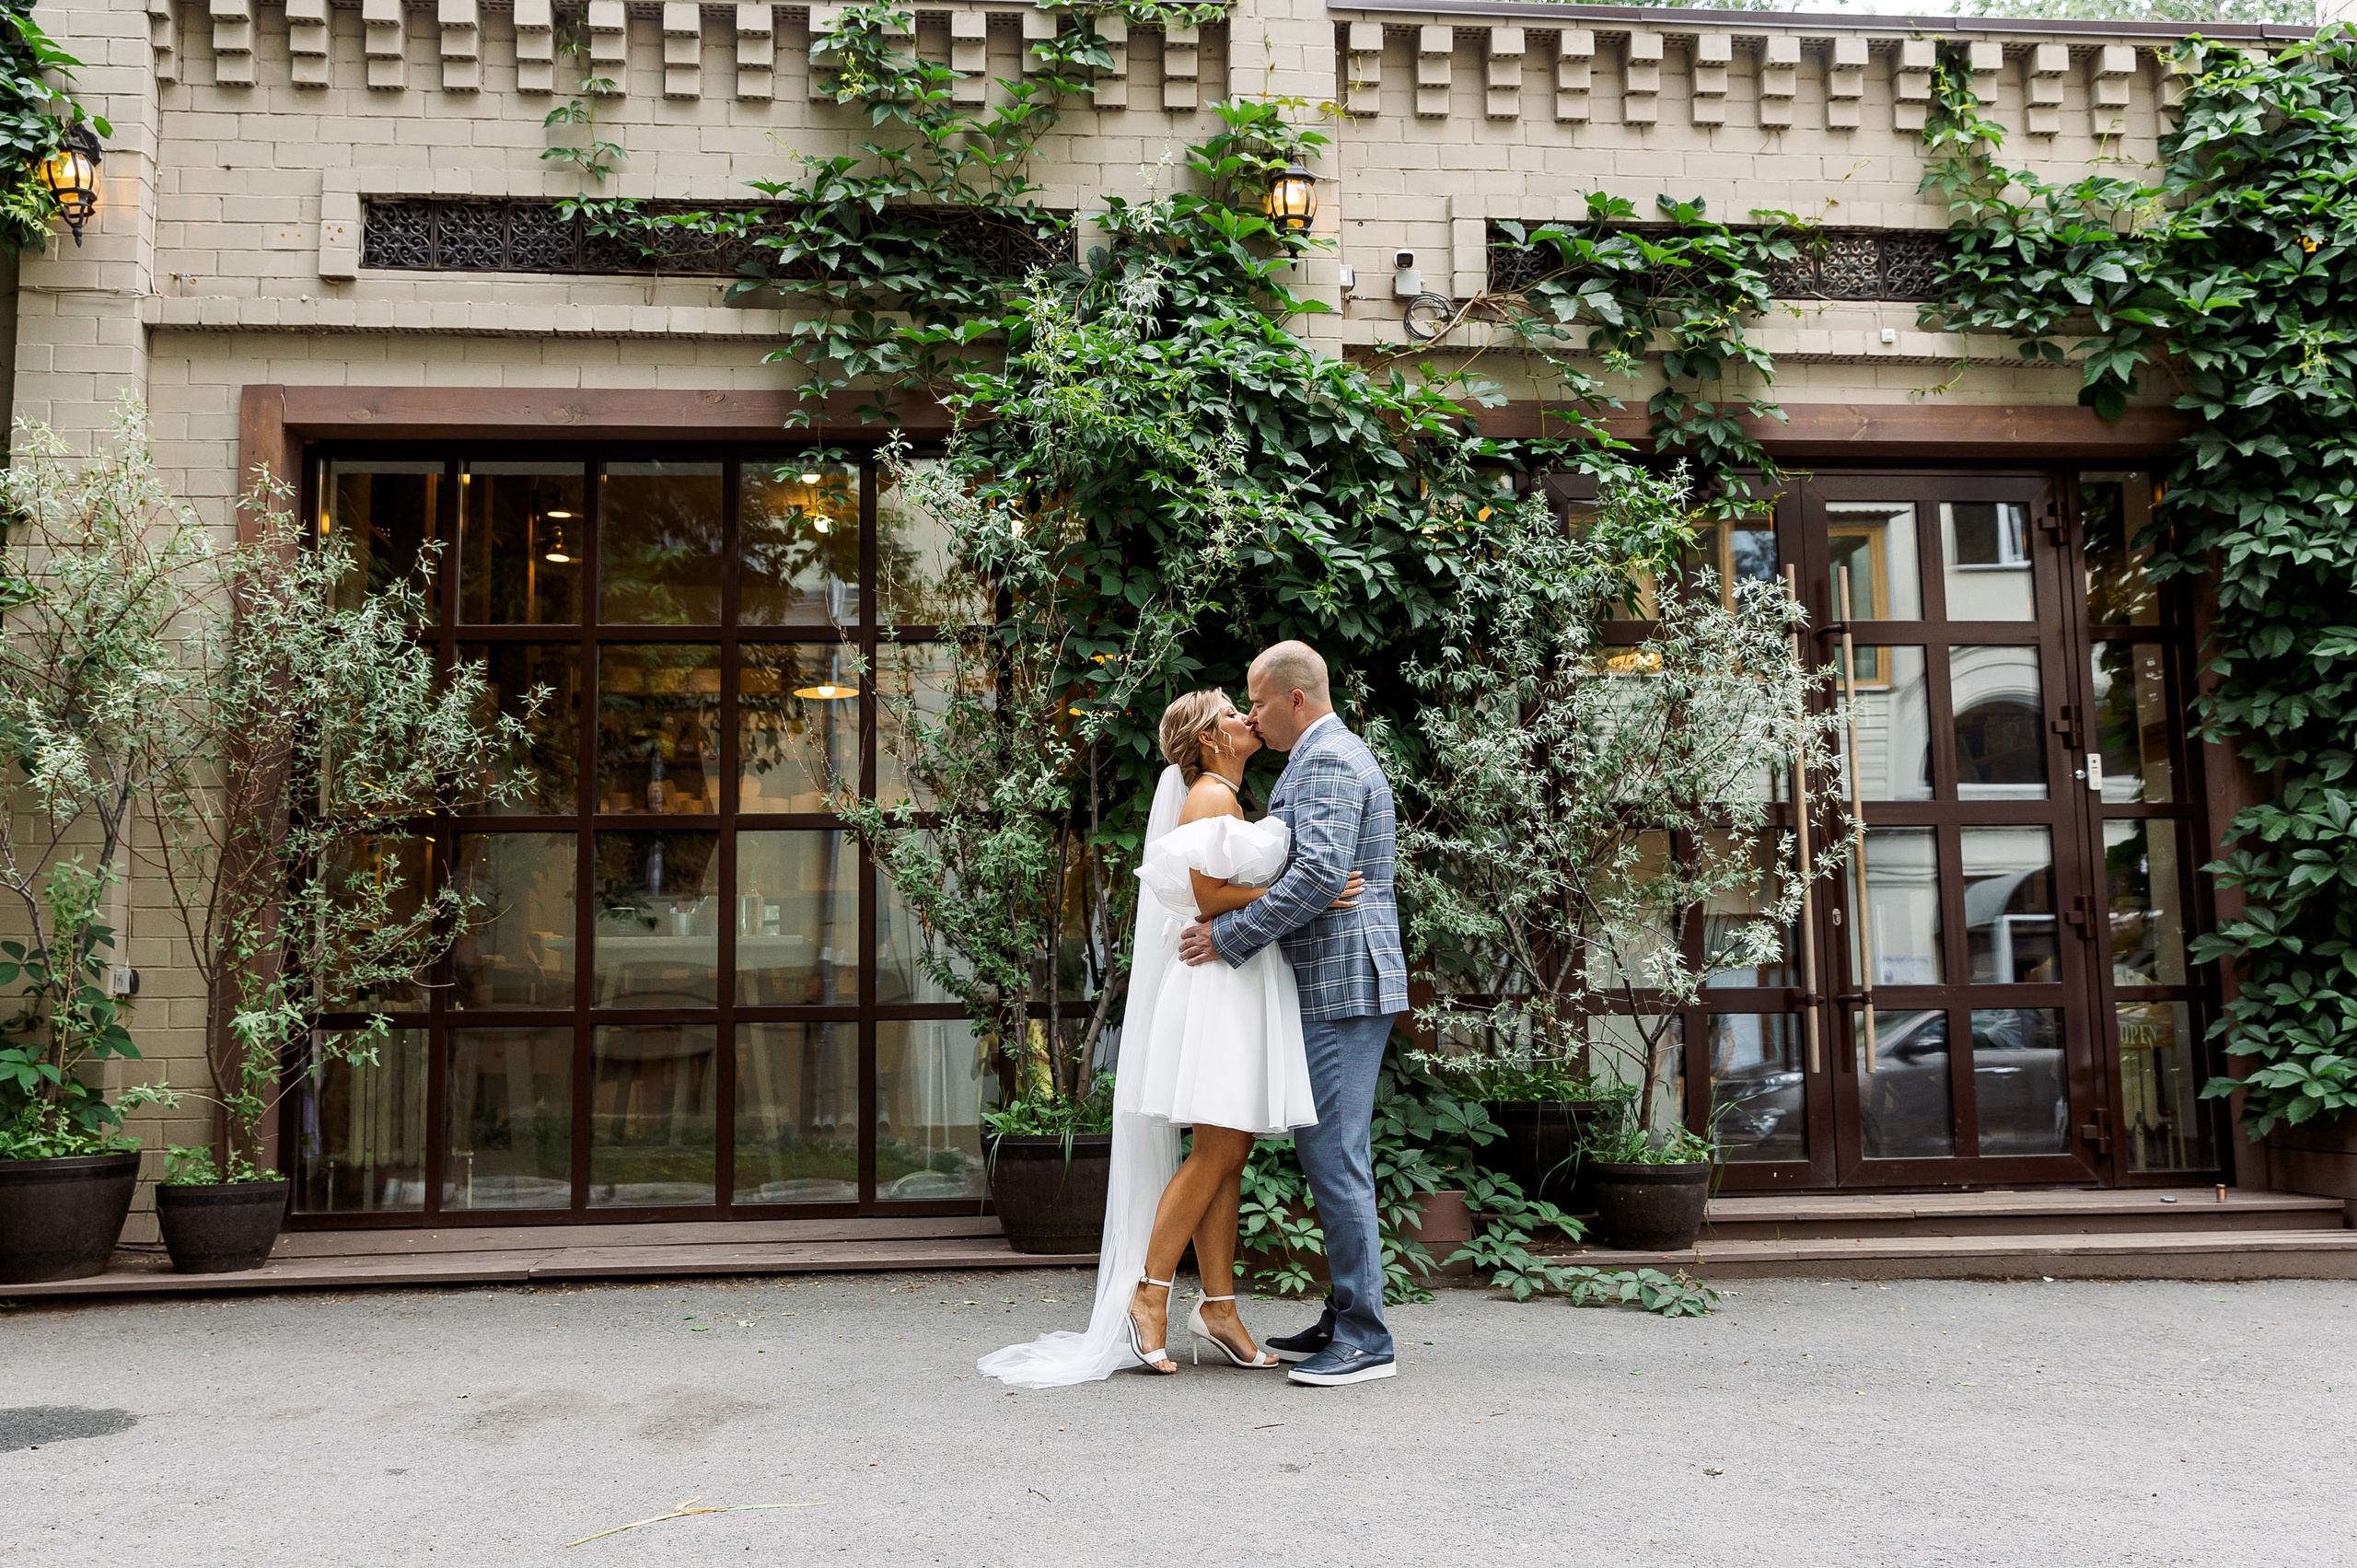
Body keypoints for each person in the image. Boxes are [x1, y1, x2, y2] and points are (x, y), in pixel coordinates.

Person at [975, 686, 1360, 1388]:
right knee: (1217, 1150)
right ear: (1210, 739)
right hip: (1221, 986)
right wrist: (1315, 891)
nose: (1246, 718)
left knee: (1228, 1150)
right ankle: (1148, 1294)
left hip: (1240, 979)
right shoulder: (1209, 799)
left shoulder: (1226, 795)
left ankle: (1218, 1307)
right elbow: (1209, 898)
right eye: (1230, 714)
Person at [1176, 640, 1408, 1388]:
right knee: (1330, 1153)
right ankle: (1346, 1316)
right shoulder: (1317, 757)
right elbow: (1315, 874)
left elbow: (1318, 873)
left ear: (1295, 699)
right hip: (1334, 980)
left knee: (1335, 1156)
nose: (1251, 714)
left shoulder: (1330, 760)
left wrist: (1226, 935)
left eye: (1259, 700)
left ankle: (1367, 1338)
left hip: (1345, 982)